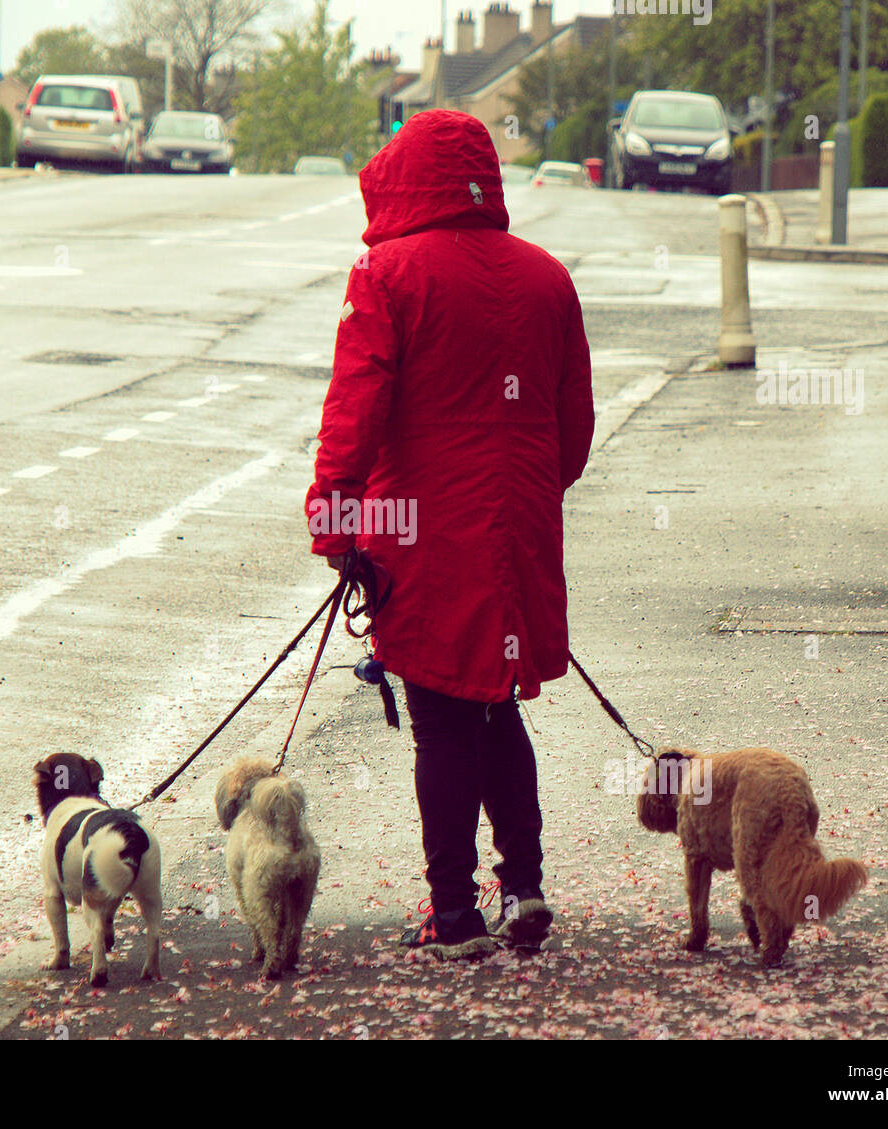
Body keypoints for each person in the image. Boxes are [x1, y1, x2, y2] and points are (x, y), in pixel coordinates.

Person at [305, 109, 595, 959]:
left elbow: (353, 409)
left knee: (440, 717)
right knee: (498, 707)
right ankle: (526, 884)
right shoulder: (548, 278)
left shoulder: (388, 273)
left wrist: (338, 519)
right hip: (518, 533)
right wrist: (528, 494)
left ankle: (455, 914)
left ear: (404, 177)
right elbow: (572, 428)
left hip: (424, 535)